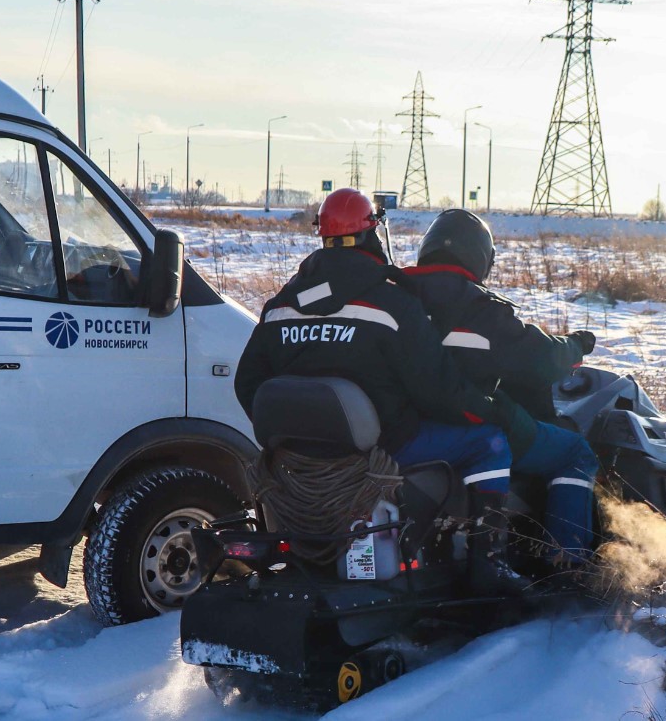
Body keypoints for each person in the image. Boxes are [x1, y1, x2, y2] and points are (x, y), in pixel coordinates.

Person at [234, 188, 537, 594]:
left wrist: (290, 439)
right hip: (383, 448)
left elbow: (247, 384)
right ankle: (488, 563)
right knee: (490, 443)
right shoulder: (392, 302)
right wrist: (487, 408)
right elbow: (437, 389)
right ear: (371, 234)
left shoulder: (281, 305)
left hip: (298, 459)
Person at [402, 209, 599, 573]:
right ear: (481, 256)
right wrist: (575, 346)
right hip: (471, 424)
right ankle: (568, 564)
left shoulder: (395, 293)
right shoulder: (479, 307)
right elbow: (539, 358)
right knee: (576, 452)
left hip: (406, 428)